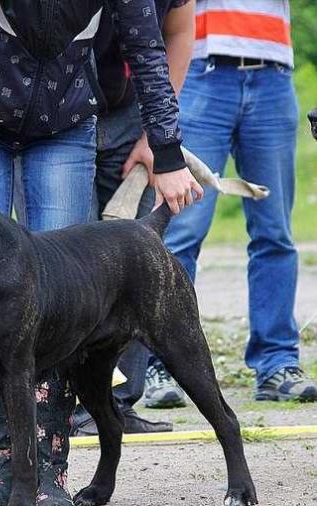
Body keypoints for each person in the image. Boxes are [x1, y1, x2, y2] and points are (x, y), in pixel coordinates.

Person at [0, 0, 203, 506]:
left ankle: (47, 467)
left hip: (66, 123)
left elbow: (148, 51)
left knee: (59, 300)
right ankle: (3, 463)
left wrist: (166, 151)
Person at [145, 0, 317, 404]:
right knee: (181, 229)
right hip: (205, 71)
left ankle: (276, 362)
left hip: (273, 73)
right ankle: (162, 363)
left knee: (275, 232)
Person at [71, 0, 196, 436]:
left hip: (131, 111)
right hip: (64, 106)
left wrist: (153, 137)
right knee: (74, 261)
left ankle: (117, 405)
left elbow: (178, 35)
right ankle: (70, 406)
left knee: (137, 265)